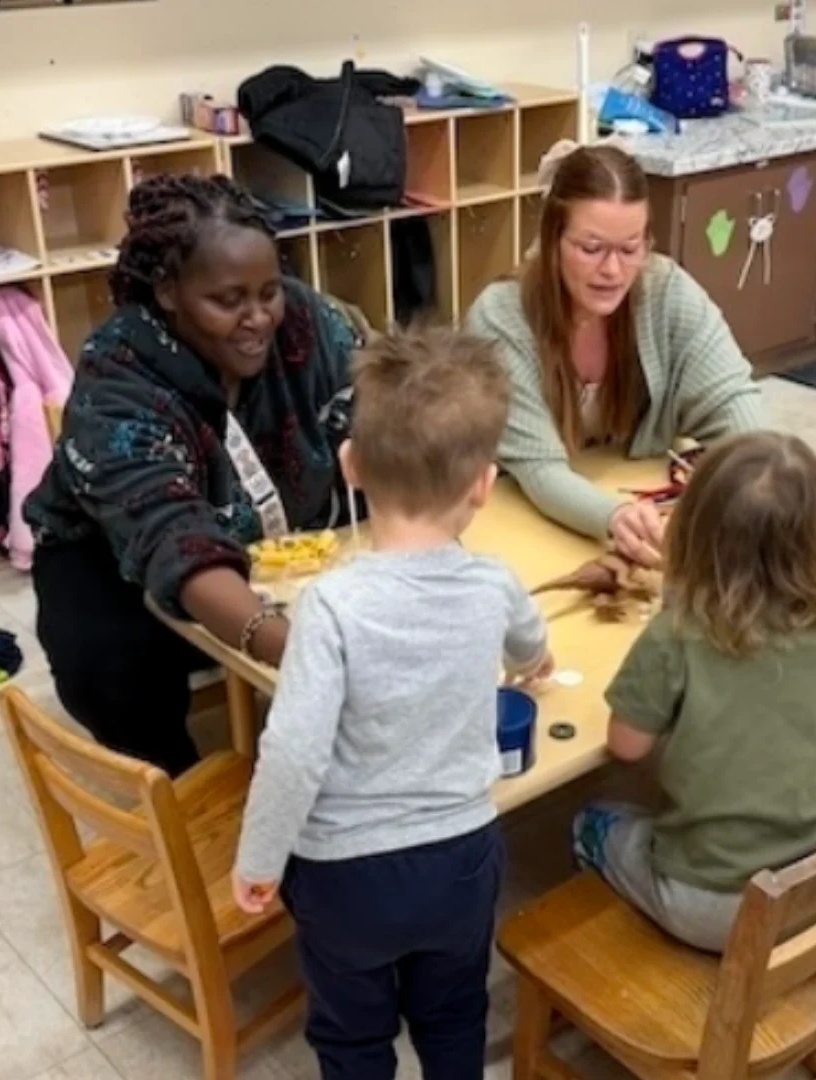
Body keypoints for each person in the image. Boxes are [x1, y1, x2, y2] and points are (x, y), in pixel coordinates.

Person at [231, 327, 551, 1080]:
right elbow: (530, 642)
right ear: (484, 483)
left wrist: (260, 857)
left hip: (346, 877)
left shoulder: (331, 604)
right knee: (453, 1017)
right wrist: (535, 662)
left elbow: (294, 751)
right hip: (461, 863)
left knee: (352, 1039)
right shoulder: (494, 581)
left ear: (351, 465)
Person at [25, 174, 364, 776]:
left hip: (274, 533)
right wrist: (290, 646)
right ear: (169, 291)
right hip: (111, 561)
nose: (258, 317)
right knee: (109, 663)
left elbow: (380, 397)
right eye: (228, 301)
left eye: (269, 291)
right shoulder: (118, 378)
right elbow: (170, 534)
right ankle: (177, 783)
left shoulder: (304, 321)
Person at [573, 432, 816, 952]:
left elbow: (626, 747)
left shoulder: (677, 633)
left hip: (713, 908)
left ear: (694, 532)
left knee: (591, 818)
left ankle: (633, 967)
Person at [466, 143, 766, 567]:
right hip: (522, 522)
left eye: (630, 249)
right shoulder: (500, 316)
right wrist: (615, 517)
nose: (613, 271)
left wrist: (759, 481)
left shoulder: (666, 291)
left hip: (631, 501)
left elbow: (732, 398)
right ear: (552, 241)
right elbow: (538, 470)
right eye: (591, 249)